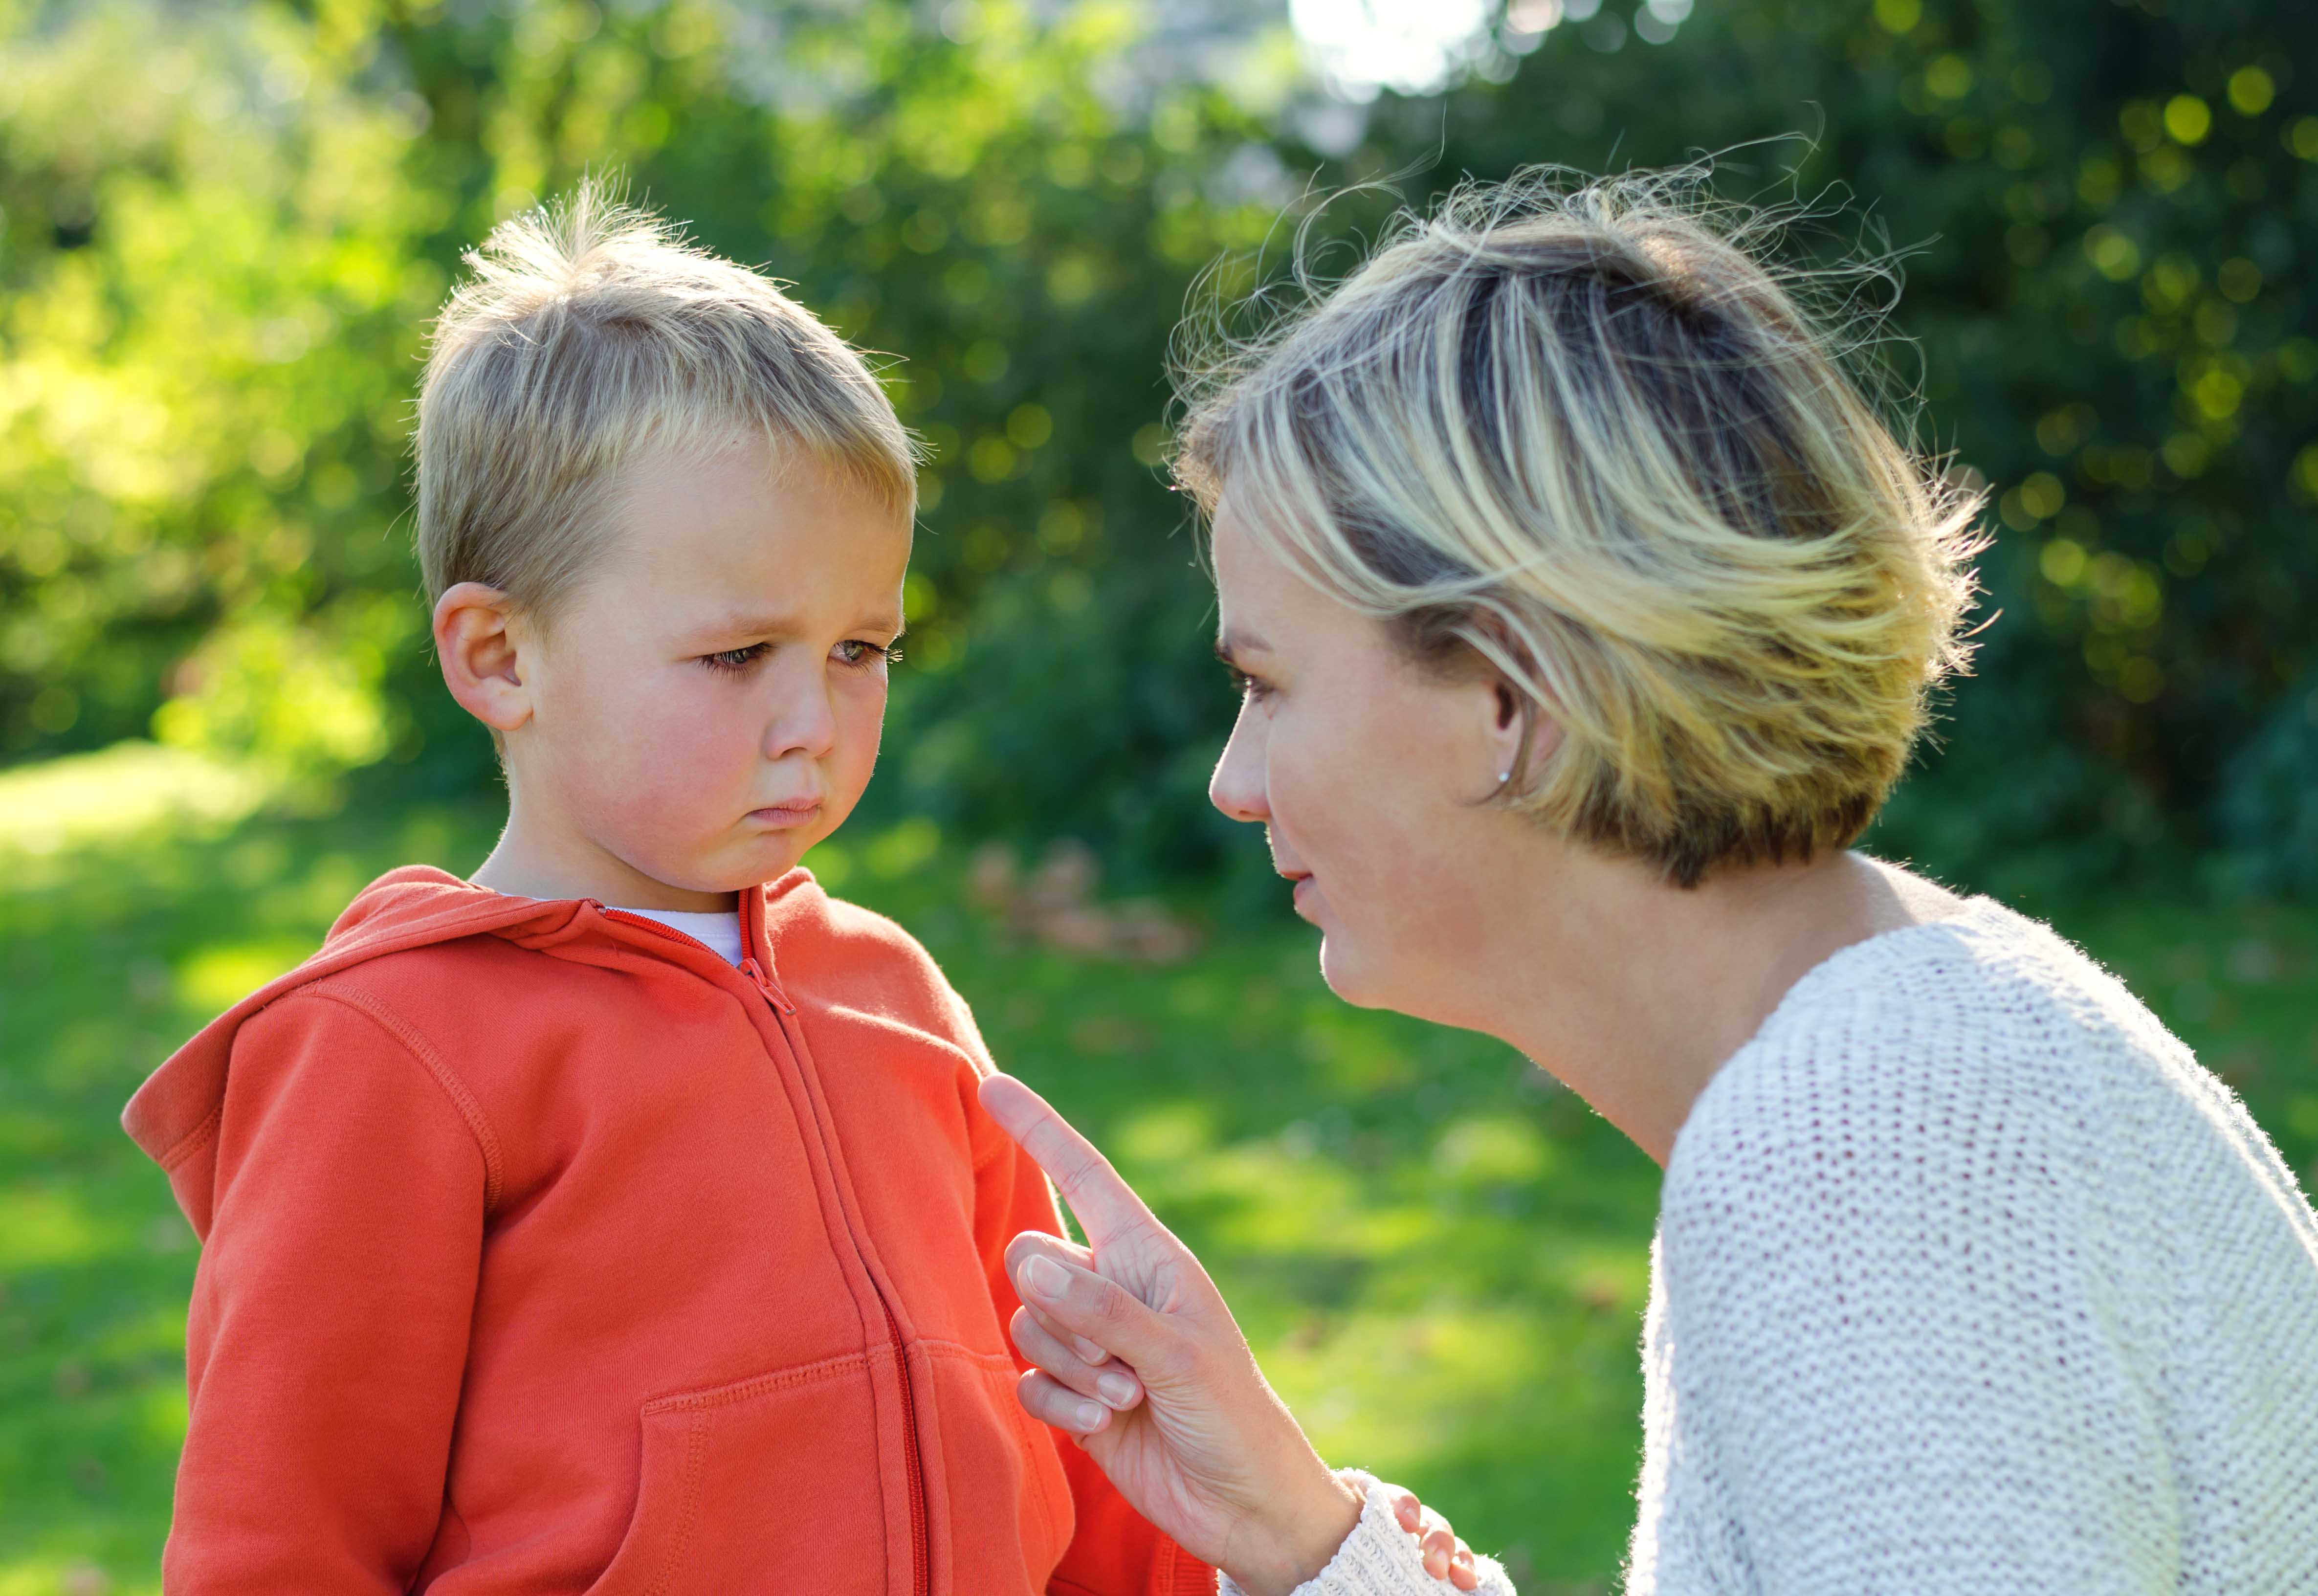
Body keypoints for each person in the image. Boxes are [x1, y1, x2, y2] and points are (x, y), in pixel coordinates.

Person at [975, 170, 2318, 1596]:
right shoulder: (1926, 1039)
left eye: (1268, 682)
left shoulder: (1864, 1160)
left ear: (1508, 695)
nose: (1233, 782)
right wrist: (1304, 1545)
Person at [119, 185, 1216, 1594]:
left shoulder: (896, 995)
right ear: (501, 656)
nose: (814, 720)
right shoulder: (387, 1050)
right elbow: (281, 1543)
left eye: (860, 649)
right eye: (735, 655)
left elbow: (1068, 1416)